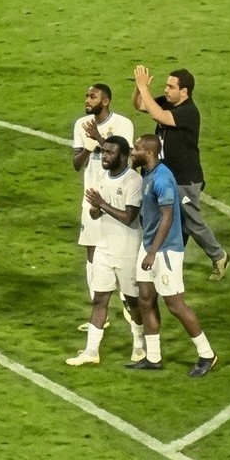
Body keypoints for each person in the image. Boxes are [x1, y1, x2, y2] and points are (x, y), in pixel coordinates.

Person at [125, 135, 218, 377]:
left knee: (175, 305)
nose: (133, 151)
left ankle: (207, 354)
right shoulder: (149, 172)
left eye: (137, 148)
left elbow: (168, 216)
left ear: (149, 153)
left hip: (165, 250)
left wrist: (153, 252)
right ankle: (153, 357)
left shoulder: (163, 179)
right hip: (150, 245)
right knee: (146, 298)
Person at [132, 67, 230, 280]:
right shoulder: (168, 102)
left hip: (184, 178)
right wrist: (139, 87)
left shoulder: (188, 112)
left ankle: (219, 256)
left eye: (171, 87)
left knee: (190, 222)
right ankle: (171, 258)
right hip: (167, 176)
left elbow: (158, 115)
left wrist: (143, 87)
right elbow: (140, 104)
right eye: (166, 86)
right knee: (172, 219)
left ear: (184, 91)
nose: (166, 90)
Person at [67, 135, 146, 366]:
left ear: (123, 156)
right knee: (100, 298)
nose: (104, 156)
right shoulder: (102, 176)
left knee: (132, 301)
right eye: (103, 152)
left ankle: (139, 344)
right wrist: (95, 207)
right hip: (104, 246)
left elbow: (130, 217)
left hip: (127, 250)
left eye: (110, 153)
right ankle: (91, 351)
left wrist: (101, 204)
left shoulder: (134, 181)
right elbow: (95, 214)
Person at [71, 84, 134, 330]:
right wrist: (88, 148)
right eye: (86, 96)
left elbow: (126, 159)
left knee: (121, 252)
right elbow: (77, 164)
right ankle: (99, 314)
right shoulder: (81, 124)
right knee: (92, 255)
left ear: (105, 101)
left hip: (118, 198)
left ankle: (129, 301)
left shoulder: (123, 124)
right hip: (91, 198)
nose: (87, 100)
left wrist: (98, 138)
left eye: (93, 96)